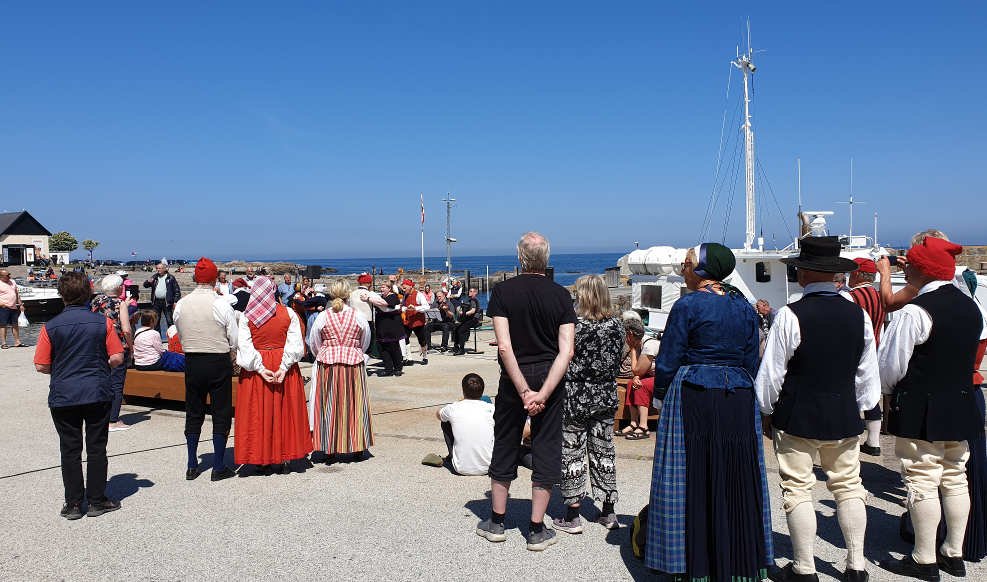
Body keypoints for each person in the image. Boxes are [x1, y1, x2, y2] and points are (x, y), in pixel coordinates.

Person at [755, 237, 880, 582]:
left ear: (804, 272)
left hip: (798, 414)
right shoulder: (858, 315)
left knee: (798, 489)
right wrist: (861, 408)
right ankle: (856, 565)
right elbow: (868, 374)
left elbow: (772, 373)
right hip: (844, 413)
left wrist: (766, 409)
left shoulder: (791, 314)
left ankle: (805, 568)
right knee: (849, 487)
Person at [646, 242, 773, 580]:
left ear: (702, 269)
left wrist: (660, 396)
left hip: (696, 393)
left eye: (687, 263)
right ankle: (739, 564)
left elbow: (670, 357)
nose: (683, 268)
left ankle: (695, 564)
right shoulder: (744, 307)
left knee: (693, 473)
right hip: (738, 395)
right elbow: (751, 359)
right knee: (736, 474)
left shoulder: (687, 305)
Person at [877, 236, 983, 580]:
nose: (906, 269)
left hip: (923, 405)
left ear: (921, 270)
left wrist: (888, 394)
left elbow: (891, 365)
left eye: (910, 265)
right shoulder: (971, 307)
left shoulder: (916, 310)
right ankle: (953, 552)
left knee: (921, 479)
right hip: (961, 403)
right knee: (955, 478)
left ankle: (923, 559)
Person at [477, 232, 576, 552]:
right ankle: (535, 528)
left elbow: (504, 347)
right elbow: (566, 351)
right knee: (547, 446)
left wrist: (522, 390)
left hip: (513, 378)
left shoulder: (503, 292)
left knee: (506, 441)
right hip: (550, 376)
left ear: (520, 258)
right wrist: (542, 393)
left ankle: (496, 522)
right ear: (547, 259)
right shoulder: (561, 295)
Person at [33, 271, 125, 519]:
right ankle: (96, 499)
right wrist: (100, 365)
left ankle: (73, 502)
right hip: (96, 390)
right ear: (88, 293)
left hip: (64, 393)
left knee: (70, 448)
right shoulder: (102, 323)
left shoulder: (50, 326)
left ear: (61, 295)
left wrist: (61, 368)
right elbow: (117, 357)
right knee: (96, 447)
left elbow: (41, 365)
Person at [552, 275, 623, 535]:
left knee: (572, 452)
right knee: (604, 451)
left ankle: (573, 514)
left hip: (576, 393)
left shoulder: (575, 325)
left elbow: (563, 355)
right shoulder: (617, 325)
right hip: (605, 393)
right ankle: (608, 511)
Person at [234, 277, 311, 474]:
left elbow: (243, 346)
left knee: (259, 413)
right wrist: (284, 367)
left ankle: (262, 458)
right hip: (282, 363)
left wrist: (260, 368)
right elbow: (296, 344)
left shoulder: (246, 317)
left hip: (257, 368)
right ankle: (285, 455)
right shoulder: (289, 313)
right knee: (285, 410)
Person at [173, 258, 239, 482]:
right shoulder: (221, 304)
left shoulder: (182, 304)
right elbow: (234, 338)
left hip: (192, 359)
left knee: (194, 410)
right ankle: (218, 466)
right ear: (214, 279)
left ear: (195, 278)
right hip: (217, 360)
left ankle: (192, 464)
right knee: (220, 411)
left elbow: (179, 330)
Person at [307, 279, 373, 459]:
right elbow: (365, 340)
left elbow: (314, 342)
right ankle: (357, 446)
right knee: (354, 404)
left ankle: (329, 447)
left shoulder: (323, 316)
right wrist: (352, 351)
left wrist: (327, 352)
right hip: (353, 364)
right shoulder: (358, 315)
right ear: (347, 295)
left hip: (328, 364)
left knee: (329, 405)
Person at [844, 257, 887, 457]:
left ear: (857, 274)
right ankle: (873, 442)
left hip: (853, 353)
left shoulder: (849, 297)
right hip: (875, 350)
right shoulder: (880, 296)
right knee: (871, 393)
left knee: (849, 394)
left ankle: (850, 441)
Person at [91, 275, 134, 432]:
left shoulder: (96, 301)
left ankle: (100, 416)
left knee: (101, 381)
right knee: (116, 383)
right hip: (117, 346)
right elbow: (126, 329)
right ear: (119, 288)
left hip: (98, 346)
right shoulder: (119, 304)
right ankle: (113, 420)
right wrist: (131, 347)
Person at [436, 373, 494, 475]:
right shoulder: (491, 408)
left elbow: (438, 414)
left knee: (445, 421)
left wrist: (459, 402)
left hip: (461, 468)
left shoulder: (453, 408)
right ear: (482, 391)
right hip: (490, 466)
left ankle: (453, 455)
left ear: (463, 390)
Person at [374, 283, 405, 376]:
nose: (381, 289)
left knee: (394, 348)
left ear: (389, 288)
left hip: (392, 327)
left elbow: (386, 305)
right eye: (381, 287)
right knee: (383, 349)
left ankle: (398, 368)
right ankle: (388, 369)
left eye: (383, 287)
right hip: (382, 327)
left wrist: (370, 298)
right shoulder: (381, 297)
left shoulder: (393, 297)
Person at [143, 262, 180, 332]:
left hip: (167, 302)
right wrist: (148, 281)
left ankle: (172, 336)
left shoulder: (170, 278)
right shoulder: (154, 277)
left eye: (160, 268)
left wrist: (175, 301)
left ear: (164, 269)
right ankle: (157, 336)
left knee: (169, 320)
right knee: (156, 320)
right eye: (157, 268)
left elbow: (177, 290)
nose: (158, 270)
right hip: (156, 302)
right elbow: (145, 285)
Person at [401, 278, 430, 364]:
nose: (403, 290)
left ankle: (425, 357)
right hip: (408, 321)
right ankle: (409, 358)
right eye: (403, 288)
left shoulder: (419, 295)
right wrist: (404, 308)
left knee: (422, 340)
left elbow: (427, 307)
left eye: (405, 288)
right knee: (405, 338)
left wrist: (415, 308)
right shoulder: (405, 295)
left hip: (418, 321)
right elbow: (403, 306)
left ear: (410, 286)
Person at [0, 268, 26, 349]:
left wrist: (21, 304)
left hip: (14, 307)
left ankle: (17, 342)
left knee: (15, 325)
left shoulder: (12, 282)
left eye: (9, 274)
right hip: (3, 307)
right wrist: (1, 304)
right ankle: (4, 343)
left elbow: (17, 294)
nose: (9, 276)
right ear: (1, 276)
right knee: (3, 325)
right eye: (7, 275)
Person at [452, 287, 481, 355]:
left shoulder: (474, 300)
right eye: (469, 291)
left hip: (474, 319)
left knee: (461, 330)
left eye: (471, 291)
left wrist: (463, 313)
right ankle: (456, 346)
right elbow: (463, 307)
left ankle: (461, 350)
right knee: (456, 328)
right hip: (468, 319)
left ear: (475, 293)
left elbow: (472, 311)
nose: (469, 292)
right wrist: (459, 309)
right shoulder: (468, 300)